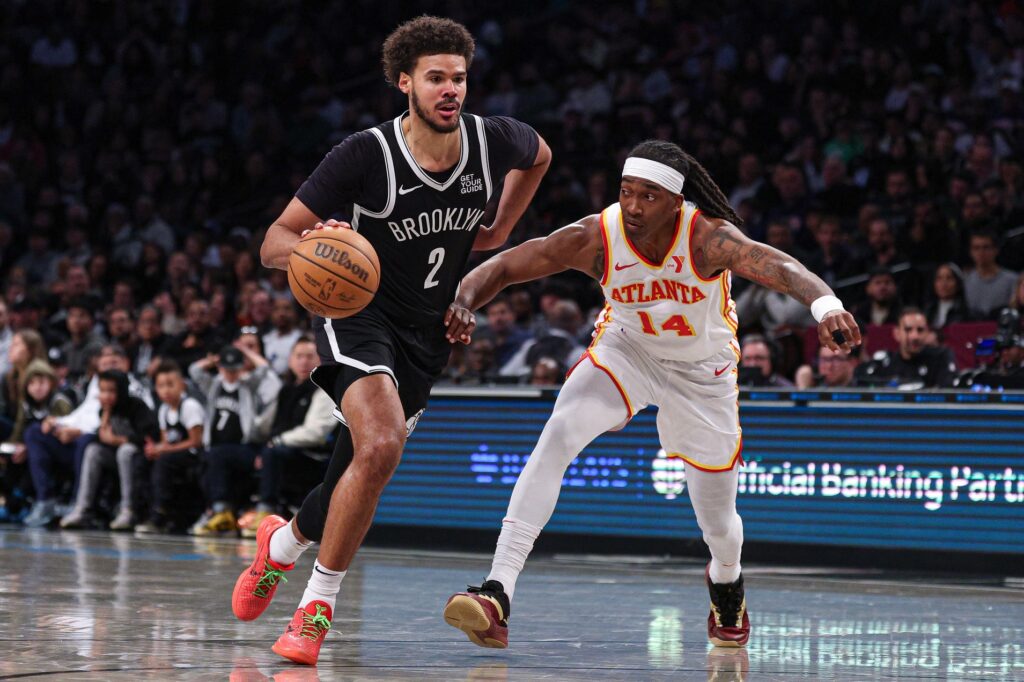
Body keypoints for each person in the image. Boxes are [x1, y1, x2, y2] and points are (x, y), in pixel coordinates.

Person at [438, 140, 860, 650]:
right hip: (628, 350)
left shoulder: (707, 238)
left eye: (650, 196)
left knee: (718, 522)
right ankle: (497, 591)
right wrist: (463, 298)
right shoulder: (598, 235)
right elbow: (505, 265)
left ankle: (726, 581)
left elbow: (781, 266)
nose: (634, 207)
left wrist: (826, 306)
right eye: (626, 191)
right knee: (558, 434)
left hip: (702, 372)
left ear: (677, 202)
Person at [239, 15, 550, 665]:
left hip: (424, 332)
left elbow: (540, 154)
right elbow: (272, 242)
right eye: (436, 77)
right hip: (356, 315)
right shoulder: (364, 154)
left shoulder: (495, 143)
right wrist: (314, 248)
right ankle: (315, 611)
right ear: (405, 82)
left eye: (459, 78)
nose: (451, 90)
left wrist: (495, 232)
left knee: (359, 470)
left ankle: (281, 547)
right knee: (382, 444)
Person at [59, 370, 157, 530]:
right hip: (117, 456)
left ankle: (128, 510)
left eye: (111, 391)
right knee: (93, 451)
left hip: (140, 457)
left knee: (125, 451)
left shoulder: (137, 407)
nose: (106, 395)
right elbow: (103, 438)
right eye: (102, 391)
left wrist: (118, 440)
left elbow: (147, 438)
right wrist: (105, 416)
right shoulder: (104, 411)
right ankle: (83, 508)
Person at [135, 362, 204, 534]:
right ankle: (144, 509)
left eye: (170, 385)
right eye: (160, 386)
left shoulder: (190, 406)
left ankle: (160, 512)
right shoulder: (164, 409)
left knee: (164, 461)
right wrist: (156, 448)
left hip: (194, 455)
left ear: (182, 385)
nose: (166, 390)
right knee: (143, 460)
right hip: (175, 455)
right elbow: (167, 442)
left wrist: (163, 450)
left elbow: (196, 441)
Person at [855, 307, 957, 388]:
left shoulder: (940, 358)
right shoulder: (885, 363)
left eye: (920, 330)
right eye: (908, 330)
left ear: (927, 333)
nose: (915, 336)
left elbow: (947, 392)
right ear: (897, 333)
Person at [794, 345, 859, 388]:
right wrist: (803, 389)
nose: (829, 366)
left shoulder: (863, 387)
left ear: (851, 363)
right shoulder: (815, 389)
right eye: (824, 359)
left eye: (835, 359)